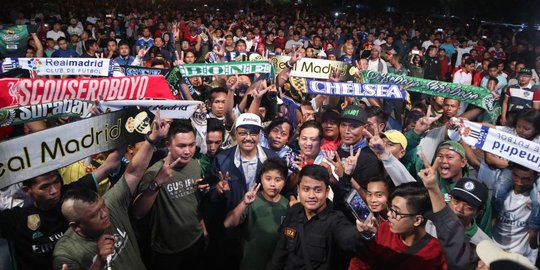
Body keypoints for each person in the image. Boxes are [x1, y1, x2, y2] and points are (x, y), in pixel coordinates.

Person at [53, 112, 169, 270]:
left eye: (102, 206)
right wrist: (99, 262)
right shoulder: (67, 254)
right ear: (76, 226)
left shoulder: (111, 205)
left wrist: (152, 138)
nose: (104, 213)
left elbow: (133, 173)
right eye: (95, 214)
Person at [0, 150, 122, 270]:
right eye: (45, 187)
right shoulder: (16, 219)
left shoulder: (73, 196)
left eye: (56, 182)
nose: (54, 191)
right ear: (27, 190)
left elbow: (109, 165)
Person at [132, 120, 207, 270]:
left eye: (191, 145)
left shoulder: (194, 165)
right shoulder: (154, 172)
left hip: (195, 239)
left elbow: (194, 202)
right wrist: (157, 182)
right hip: (167, 251)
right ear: (168, 145)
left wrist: (203, 229)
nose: (188, 151)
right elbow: (137, 212)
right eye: (181, 146)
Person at [267, 164, 371, 270]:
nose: (311, 195)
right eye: (306, 189)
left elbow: (350, 239)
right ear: (298, 189)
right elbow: (280, 252)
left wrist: (364, 233)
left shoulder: (335, 221)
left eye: (317, 190)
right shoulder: (294, 211)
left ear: (326, 191)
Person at [350, 182, 448, 270]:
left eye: (396, 212)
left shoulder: (437, 254)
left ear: (417, 220)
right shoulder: (384, 229)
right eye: (390, 208)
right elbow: (362, 261)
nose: (389, 215)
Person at [223, 158, 289, 270]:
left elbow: (288, 234)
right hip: (250, 263)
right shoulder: (252, 200)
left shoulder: (286, 204)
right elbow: (227, 224)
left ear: (284, 182)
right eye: (268, 179)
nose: (273, 184)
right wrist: (244, 203)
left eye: (278, 180)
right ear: (261, 179)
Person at [492, 162, 540, 263]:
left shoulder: (534, 200)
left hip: (520, 257)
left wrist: (533, 232)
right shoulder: (499, 192)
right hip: (494, 250)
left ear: (535, 177)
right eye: (515, 176)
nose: (519, 182)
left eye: (526, 179)